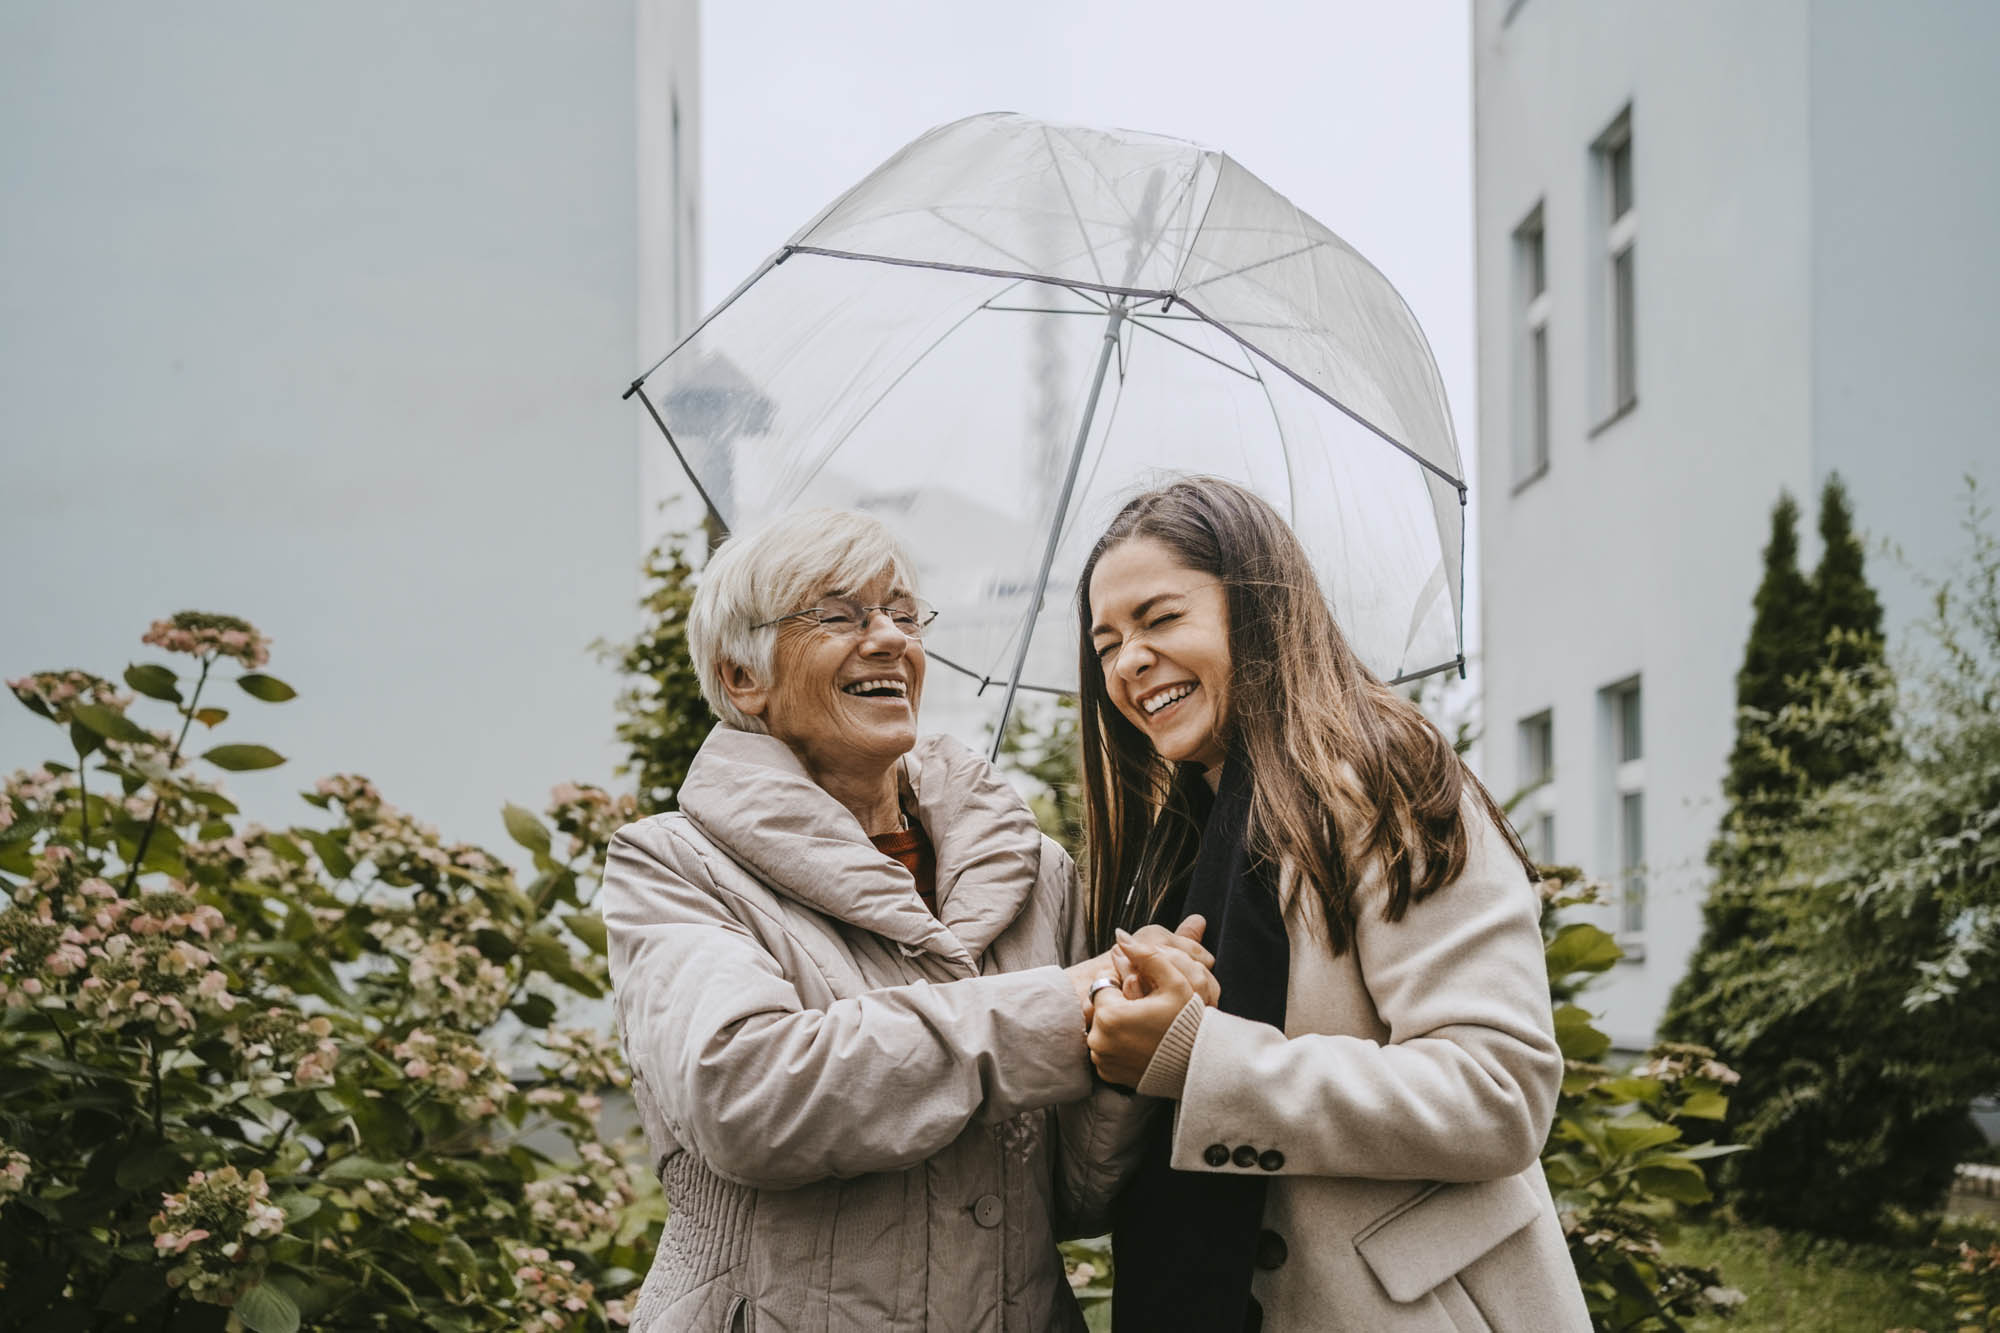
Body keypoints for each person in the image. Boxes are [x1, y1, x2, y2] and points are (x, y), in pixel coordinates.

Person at [599, 508, 1208, 1332]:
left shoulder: (1033, 872)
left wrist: (1127, 1035)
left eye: (904, 614)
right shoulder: (675, 865)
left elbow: (1074, 1194)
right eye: (840, 615)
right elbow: (745, 1095)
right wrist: (1062, 1006)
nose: (889, 638)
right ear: (743, 679)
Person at [1076, 477, 1591, 1331]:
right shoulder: (1177, 844)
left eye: (1161, 620)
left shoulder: (1387, 781)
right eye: (1106, 643)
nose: (1128, 661)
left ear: (1259, 608)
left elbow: (1497, 1092)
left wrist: (1197, 1055)